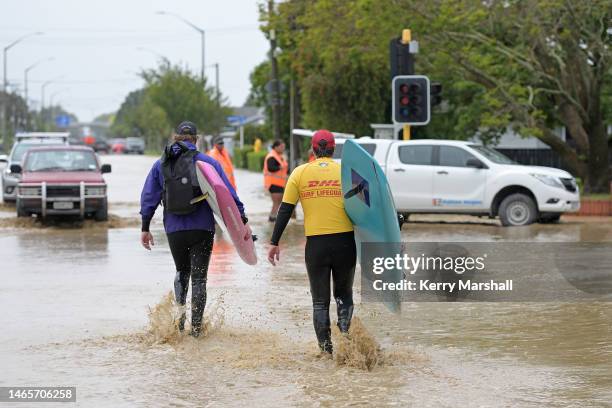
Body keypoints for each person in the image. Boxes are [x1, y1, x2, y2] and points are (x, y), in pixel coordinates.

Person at [140, 121, 251, 337]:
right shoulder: (207, 162)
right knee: (199, 278)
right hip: (201, 228)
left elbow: (148, 198)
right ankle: (197, 331)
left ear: (176, 137)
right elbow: (227, 193)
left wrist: (145, 227)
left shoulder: (160, 164)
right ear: (196, 139)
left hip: (174, 229)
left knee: (182, 272)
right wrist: (241, 219)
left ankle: (179, 326)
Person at [267, 130, 355, 354]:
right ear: (334, 149)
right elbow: (368, 208)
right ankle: (345, 337)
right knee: (343, 296)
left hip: (316, 246)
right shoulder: (347, 172)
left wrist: (274, 241)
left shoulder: (299, 173)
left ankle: (326, 352)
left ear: (313, 149)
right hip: (345, 242)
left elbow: (285, 209)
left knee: (319, 302)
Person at [263, 140, 288, 222]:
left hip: (279, 183)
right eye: (281, 147)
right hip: (273, 183)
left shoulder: (279, 155)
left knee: (277, 202)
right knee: (276, 202)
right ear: (276, 147)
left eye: (283, 147)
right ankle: (272, 219)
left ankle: (273, 218)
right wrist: (280, 167)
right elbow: (270, 168)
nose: (283, 148)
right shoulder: (272, 156)